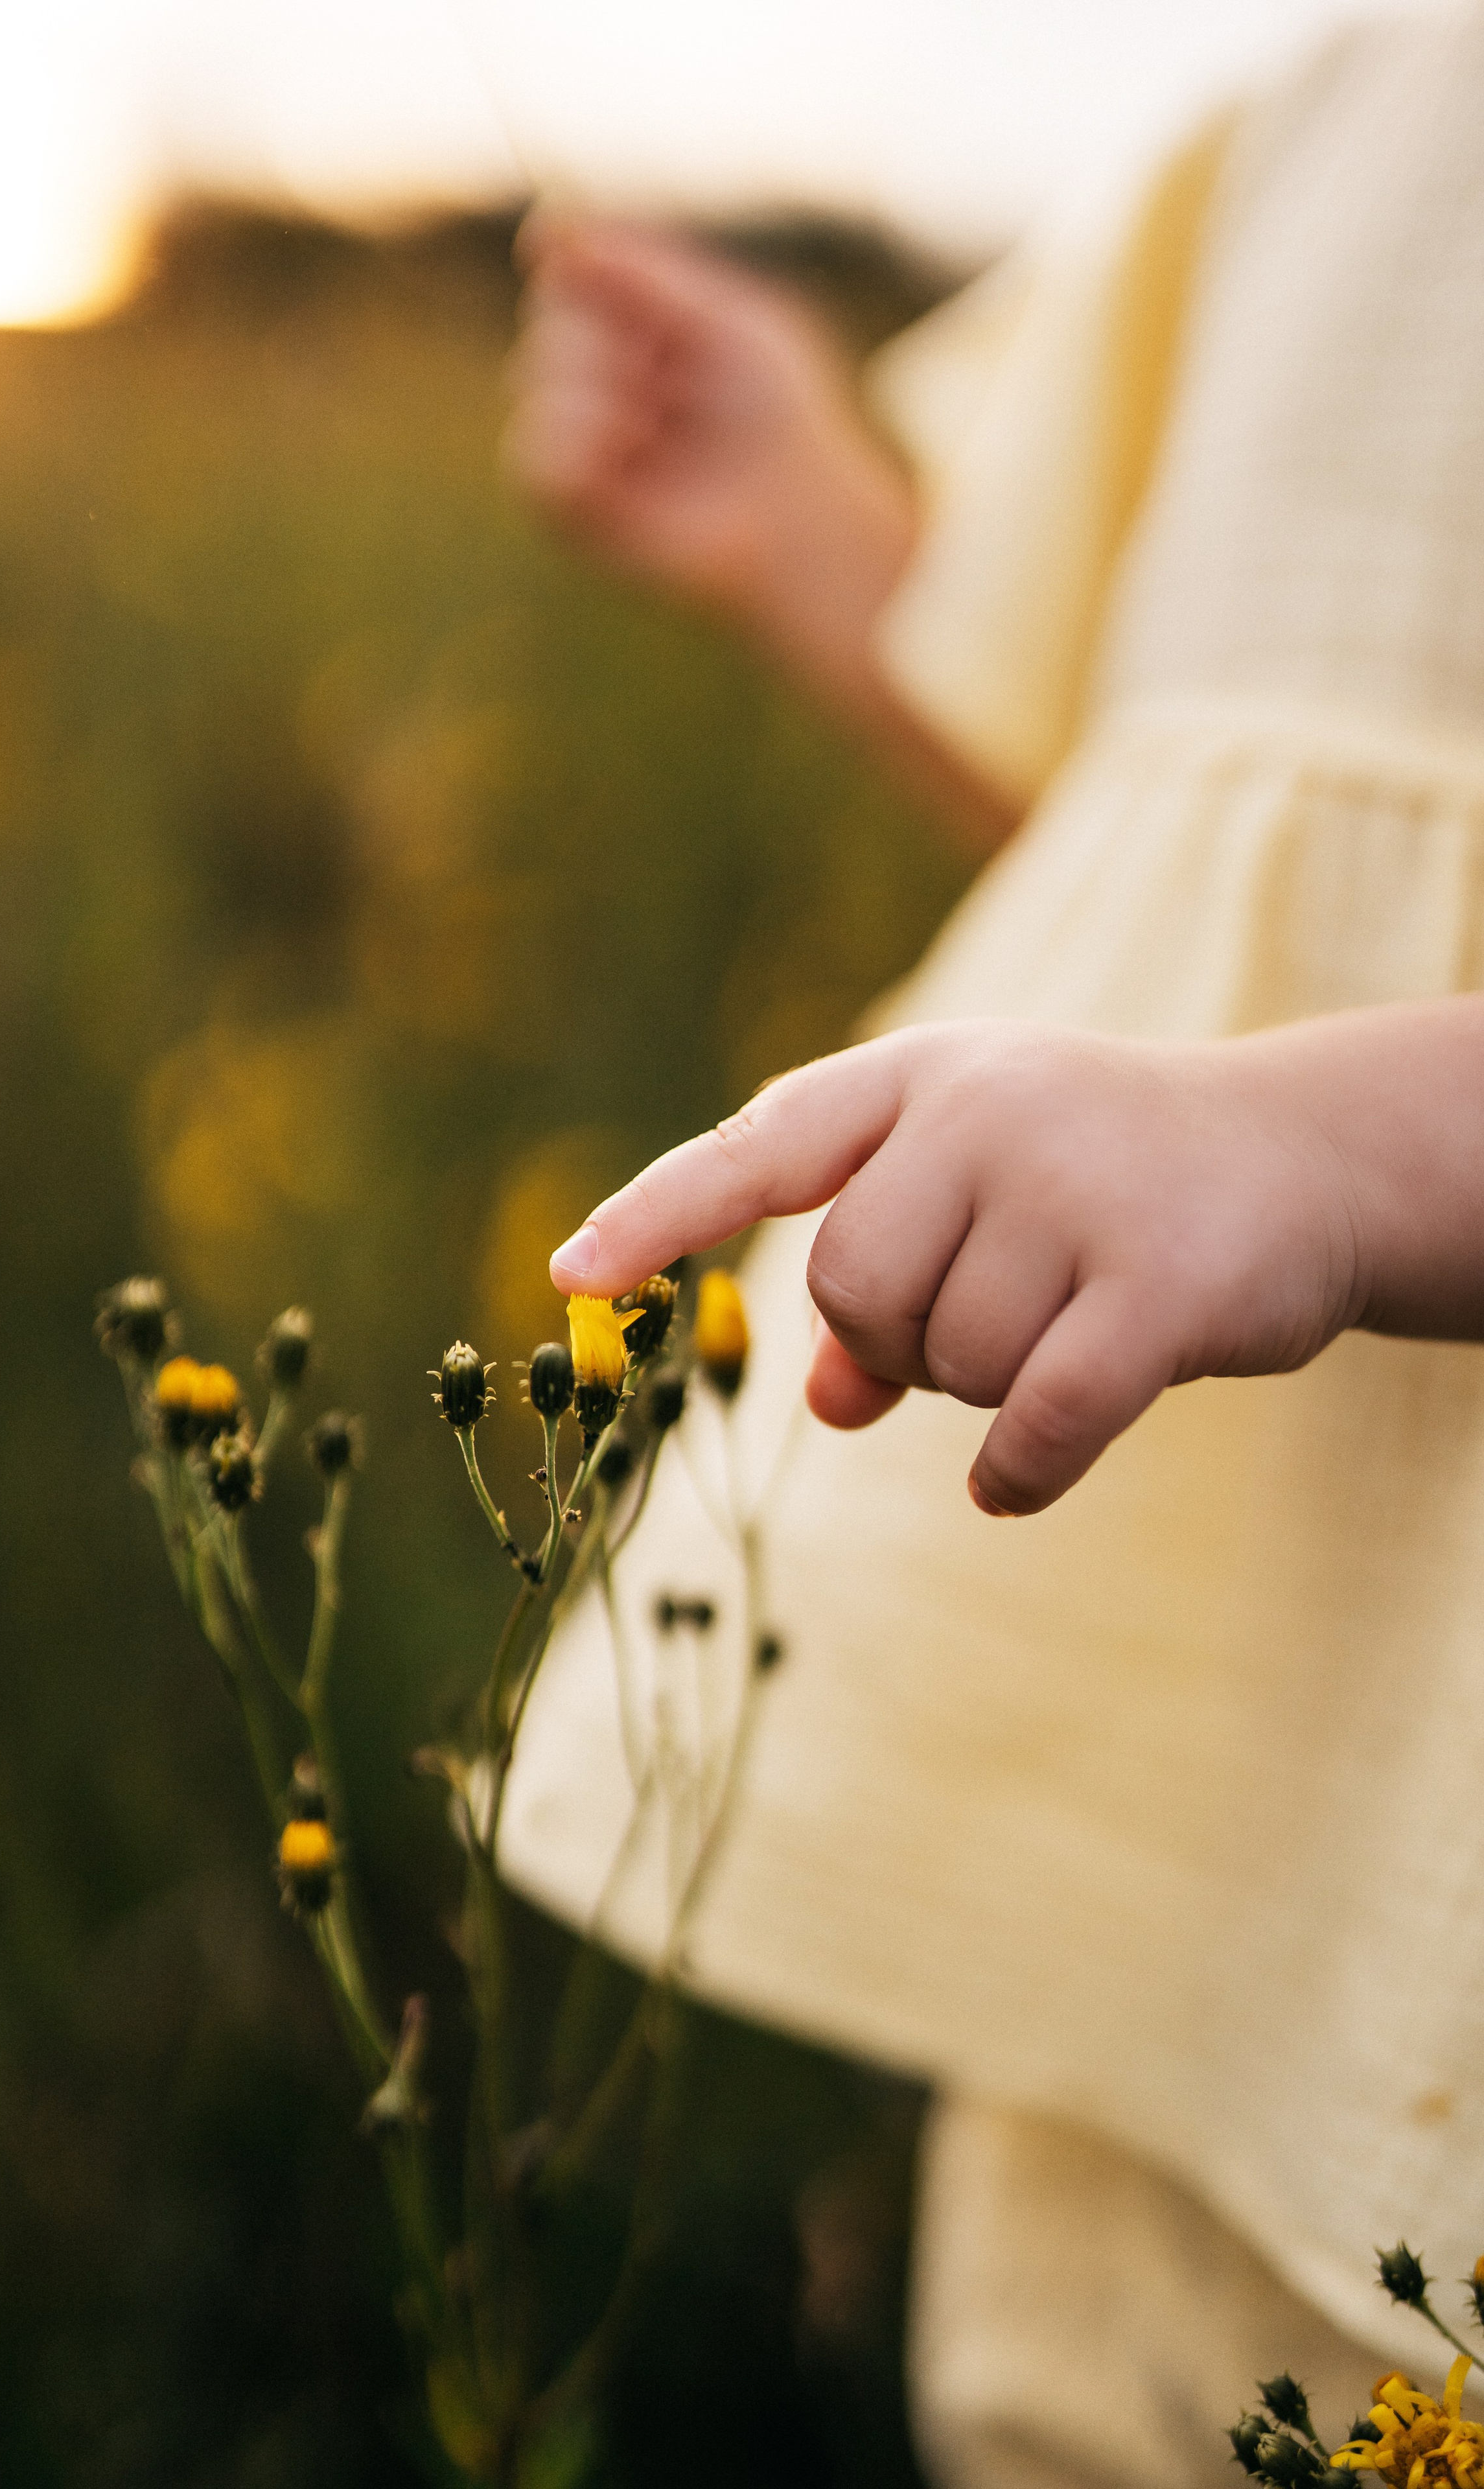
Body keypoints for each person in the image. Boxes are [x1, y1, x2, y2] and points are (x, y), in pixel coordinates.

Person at [498, 12, 1484, 2484]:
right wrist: (821, 538)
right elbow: (1189, 822)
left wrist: (1332, 1152)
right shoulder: (1347, 94)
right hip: (1182, 1849)